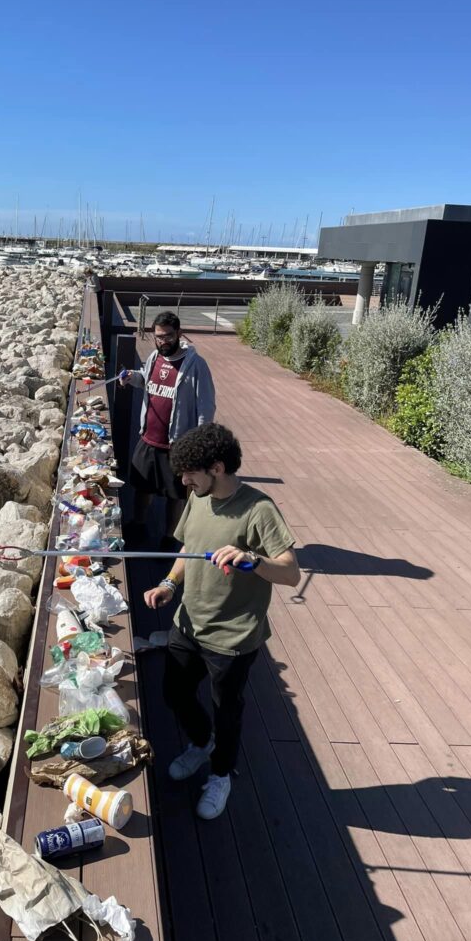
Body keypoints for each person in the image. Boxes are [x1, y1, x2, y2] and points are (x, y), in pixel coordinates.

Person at [144, 423, 300, 820]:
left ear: (216, 466)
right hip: (189, 623)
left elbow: (290, 573)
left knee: (226, 710)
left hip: (233, 637)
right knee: (175, 693)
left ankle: (221, 775)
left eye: (189, 472)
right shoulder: (198, 497)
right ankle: (201, 744)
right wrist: (168, 583)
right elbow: (188, 548)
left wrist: (253, 560)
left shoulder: (258, 509)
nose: (182, 480)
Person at [120, 311, 215, 547]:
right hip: (149, 438)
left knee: (176, 495)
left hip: (177, 443)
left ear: (179, 334)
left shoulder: (196, 365)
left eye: (169, 336)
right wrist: (131, 377)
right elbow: (147, 380)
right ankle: (139, 524)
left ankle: (170, 536)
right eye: (159, 336)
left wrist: (200, 444)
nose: (164, 341)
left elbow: (206, 406)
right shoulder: (154, 357)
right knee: (142, 486)